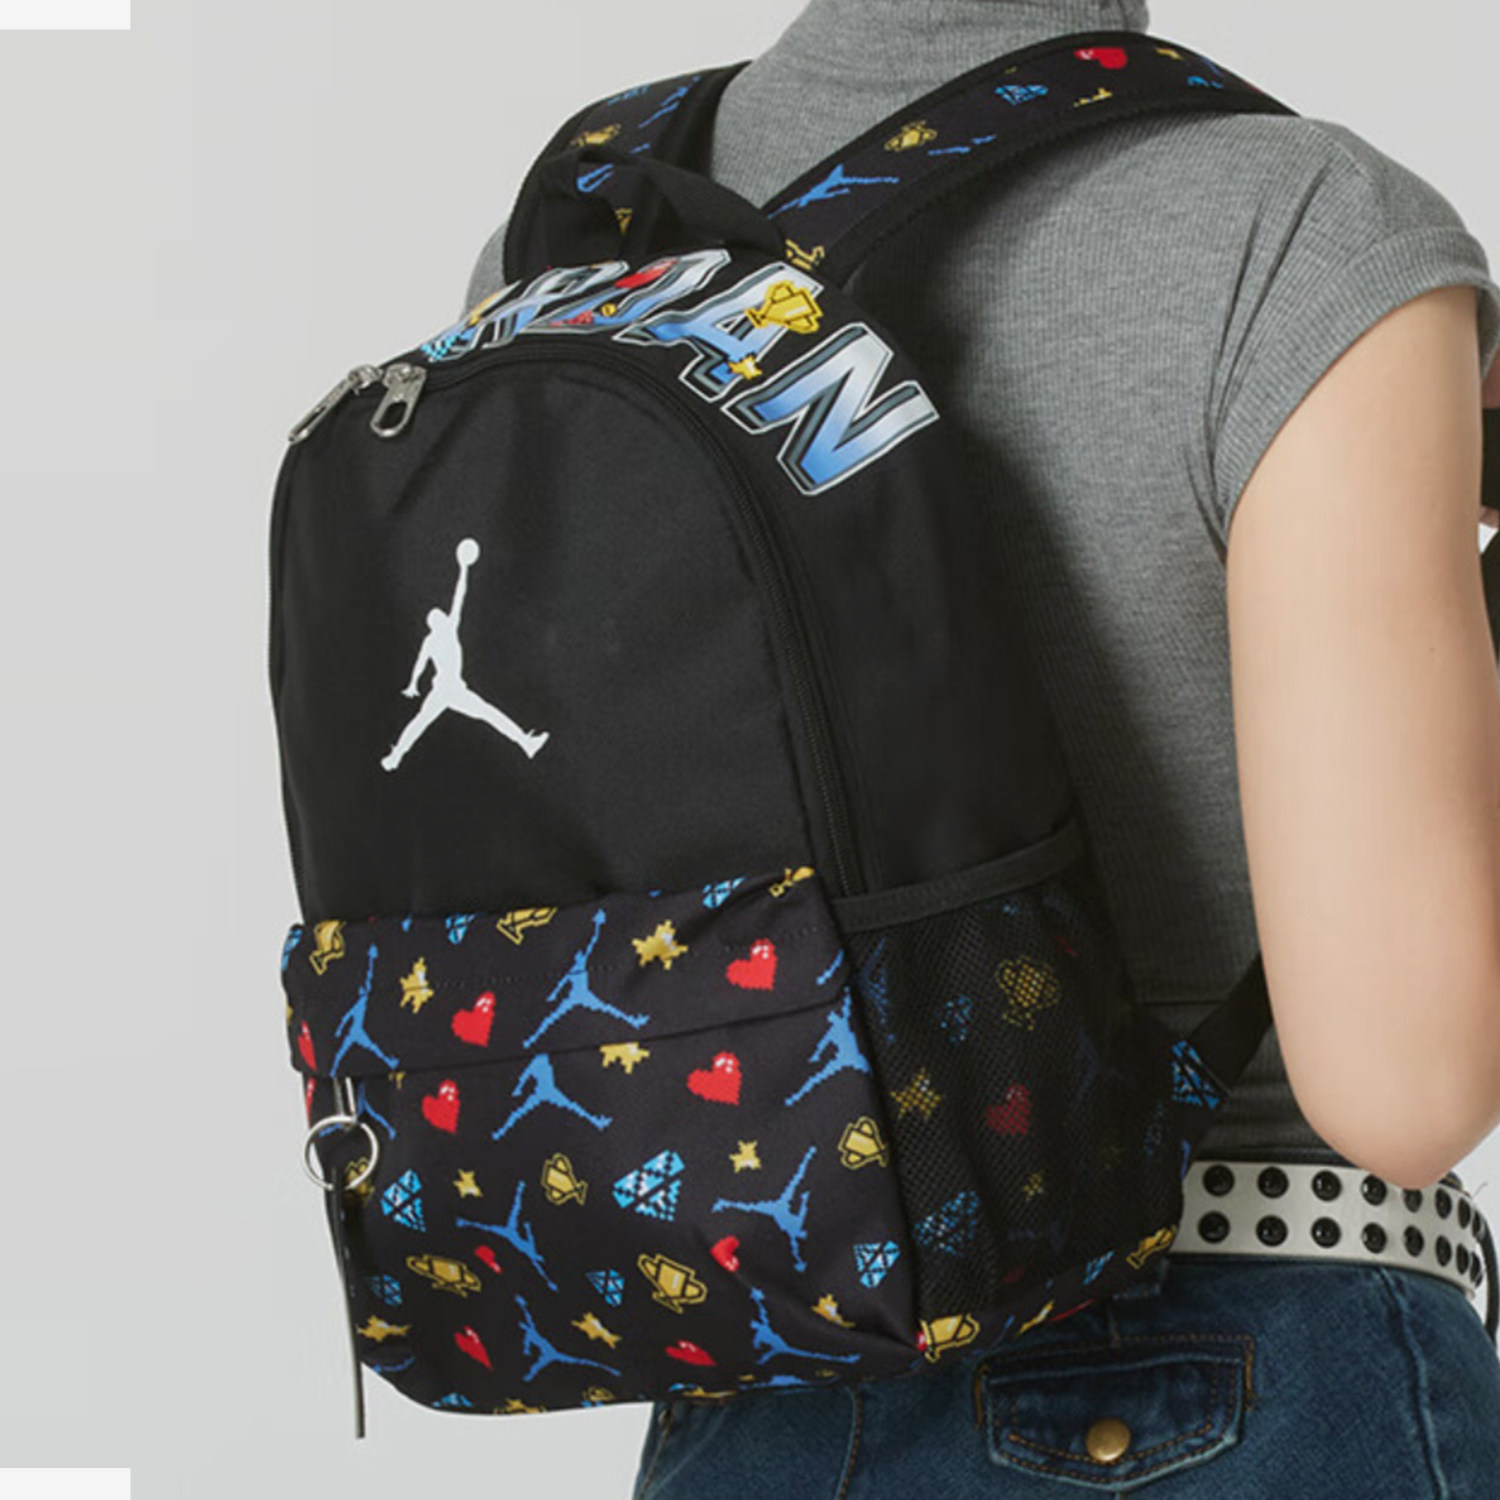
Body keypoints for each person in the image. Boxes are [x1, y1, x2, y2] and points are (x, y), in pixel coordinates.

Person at [462, 1, 1500, 1492]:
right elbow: (1405, 1094)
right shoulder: (1301, 229)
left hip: (753, 1383)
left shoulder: (573, 241)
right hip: (1246, 1374)